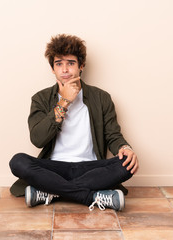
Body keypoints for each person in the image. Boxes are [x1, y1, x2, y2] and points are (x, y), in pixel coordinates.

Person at [9, 34, 139, 211]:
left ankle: (51, 191)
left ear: (81, 66)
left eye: (70, 63)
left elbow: (113, 135)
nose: (64, 70)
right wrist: (64, 102)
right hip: (54, 168)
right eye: (58, 64)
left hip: (91, 168)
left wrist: (125, 148)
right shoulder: (40, 98)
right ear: (52, 69)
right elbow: (37, 139)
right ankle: (91, 196)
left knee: (127, 164)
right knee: (18, 162)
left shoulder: (101, 98)